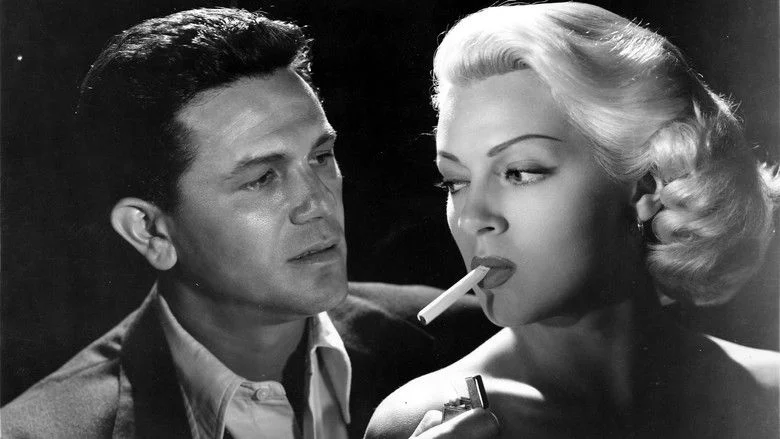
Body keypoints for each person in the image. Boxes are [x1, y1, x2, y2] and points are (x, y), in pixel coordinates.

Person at [0, 8, 499, 438]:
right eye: (261, 178)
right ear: (150, 231)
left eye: (321, 156)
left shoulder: (472, 340)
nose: (317, 202)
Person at [366, 3, 780, 438]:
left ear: (647, 186)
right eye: (455, 182)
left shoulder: (770, 399)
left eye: (520, 172)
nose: (472, 217)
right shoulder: (426, 422)